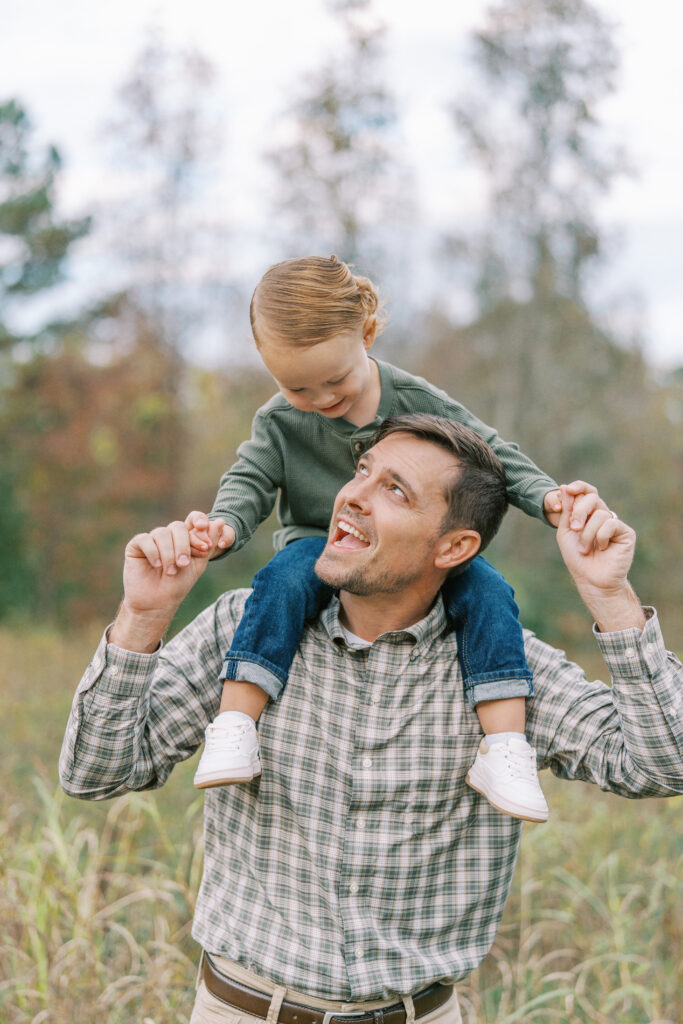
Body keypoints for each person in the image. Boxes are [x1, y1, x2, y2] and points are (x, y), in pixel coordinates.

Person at [60, 414, 683, 1024]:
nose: (351, 496)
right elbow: (94, 772)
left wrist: (610, 597)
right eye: (361, 472)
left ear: (455, 546)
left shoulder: (505, 672)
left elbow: (664, 764)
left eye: (394, 490)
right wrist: (143, 617)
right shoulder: (244, 628)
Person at [179, 255, 598, 823]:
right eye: (297, 386)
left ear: (367, 334)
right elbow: (250, 477)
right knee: (278, 584)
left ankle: (504, 747)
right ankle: (235, 723)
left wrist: (547, 498)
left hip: (422, 555)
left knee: (491, 596)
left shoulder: (417, 400)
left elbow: (492, 453)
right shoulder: (278, 421)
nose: (323, 399)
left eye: (335, 380)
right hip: (315, 542)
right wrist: (225, 525)